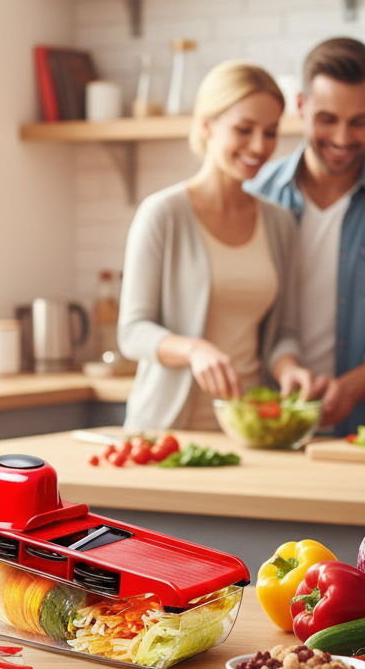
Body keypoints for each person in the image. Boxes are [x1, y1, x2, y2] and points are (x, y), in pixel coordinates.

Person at [246, 38, 365, 435]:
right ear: (301, 106)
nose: (341, 137)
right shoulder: (256, 195)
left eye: (358, 121)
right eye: (327, 118)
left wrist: (349, 389)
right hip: (267, 421)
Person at [118, 61, 313, 432]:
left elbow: (284, 331)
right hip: (167, 429)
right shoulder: (162, 214)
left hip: (250, 428)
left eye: (270, 132)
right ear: (206, 125)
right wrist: (194, 349)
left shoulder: (279, 223)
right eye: (244, 129)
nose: (260, 146)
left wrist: (289, 367)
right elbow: (132, 332)